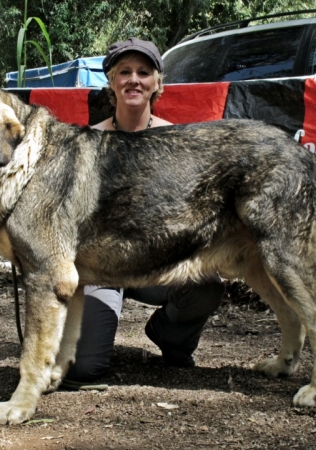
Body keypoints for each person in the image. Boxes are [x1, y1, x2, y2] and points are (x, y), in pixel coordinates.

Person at [63, 38, 225, 386]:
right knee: (82, 370)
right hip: (100, 269)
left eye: (143, 72)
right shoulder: (88, 141)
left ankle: (170, 337)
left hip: (159, 266)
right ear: (111, 82)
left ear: (157, 83)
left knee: (206, 286)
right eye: (124, 72)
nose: (133, 80)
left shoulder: (176, 141)